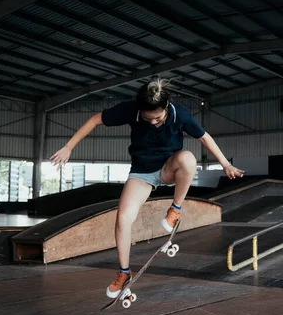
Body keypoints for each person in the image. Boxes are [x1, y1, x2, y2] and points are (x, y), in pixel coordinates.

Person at [50, 76, 244, 298]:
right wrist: (68, 147)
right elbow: (95, 119)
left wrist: (225, 164)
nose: (153, 122)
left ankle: (175, 209)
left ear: (166, 108)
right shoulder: (131, 110)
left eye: (158, 118)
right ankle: (124, 273)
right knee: (123, 219)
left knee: (189, 159)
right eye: (148, 118)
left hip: (169, 168)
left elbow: (204, 137)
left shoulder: (179, 113)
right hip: (142, 172)